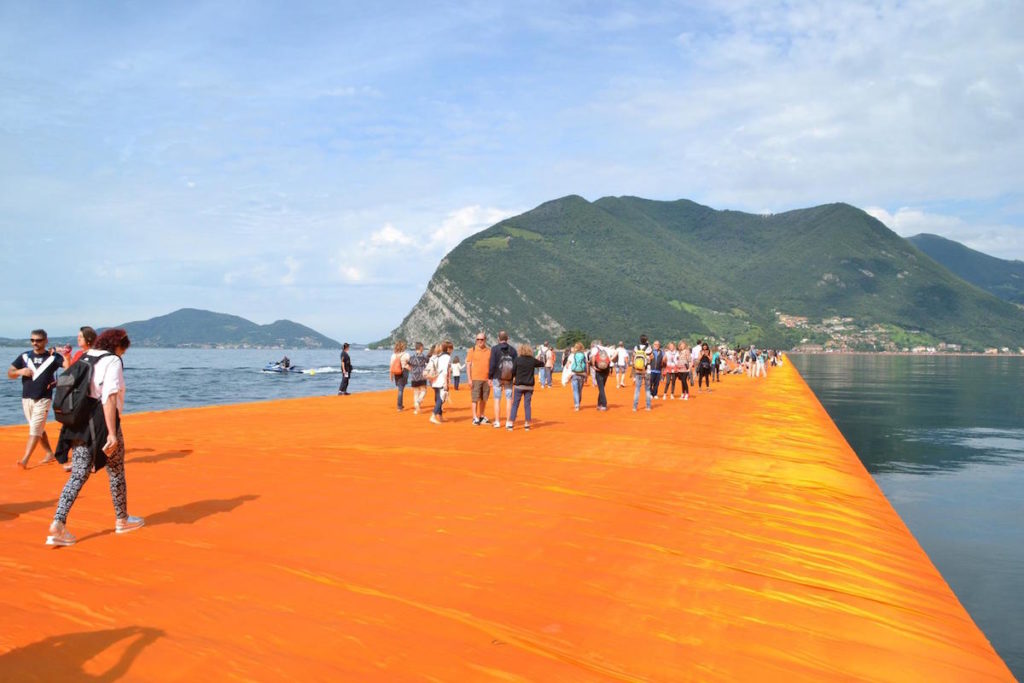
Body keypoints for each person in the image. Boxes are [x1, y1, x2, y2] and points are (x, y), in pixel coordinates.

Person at [46, 328, 144, 547]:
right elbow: (108, 397)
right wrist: (111, 433)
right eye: (124, 348)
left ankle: (58, 523)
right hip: (100, 422)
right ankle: (122, 519)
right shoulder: (112, 361)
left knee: (78, 474)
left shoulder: (88, 356)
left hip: (78, 422)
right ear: (119, 345)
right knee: (116, 470)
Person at [9, 329, 64, 469]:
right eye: (32, 340)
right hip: (26, 398)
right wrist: (20, 371)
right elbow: (10, 373)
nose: (35, 343)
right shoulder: (25, 357)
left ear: (46, 341)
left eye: (38, 340)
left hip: (43, 397)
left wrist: (65, 354)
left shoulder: (53, 357)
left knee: (35, 428)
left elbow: (69, 367)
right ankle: (49, 453)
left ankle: (25, 459)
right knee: (38, 427)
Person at [507, 344, 545, 430]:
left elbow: (513, 371)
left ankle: (511, 424)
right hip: (529, 386)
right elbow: (542, 364)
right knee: (527, 405)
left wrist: (512, 378)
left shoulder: (517, 360)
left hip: (519, 385)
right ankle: (527, 424)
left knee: (515, 404)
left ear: (520, 350)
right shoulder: (532, 360)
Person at [488, 331, 517, 429]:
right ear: (507, 338)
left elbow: (492, 364)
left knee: (497, 399)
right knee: (509, 399)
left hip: (497, 377)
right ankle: (509, 422)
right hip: (509, 378)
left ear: (498, 338)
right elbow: (516, 365)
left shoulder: (494, 349)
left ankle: (497, 421)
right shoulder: (513, 350)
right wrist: (514, 376)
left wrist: (490, 377)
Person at [465, 332, 491, 426]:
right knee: (475, 399)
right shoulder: (472, 350)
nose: (479, 341)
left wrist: (490, 378)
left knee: (484, 399)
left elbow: (491, 365)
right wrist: (469, 379)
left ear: (485, 340)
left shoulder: (489, 351)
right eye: (478, 339)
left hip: (486, 379)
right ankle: (474, 417)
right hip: (475, 378)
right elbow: (468, 365)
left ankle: (481, 416)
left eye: (481, 339)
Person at [428, 341, 452, 425]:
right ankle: (433, 416)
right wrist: (446, 382)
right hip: (441, 380)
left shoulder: (436, 356)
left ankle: (440, 416)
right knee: (441, 399)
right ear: (448, 349)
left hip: (434, 379)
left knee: (437, 398)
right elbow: (445, 371)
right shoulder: (446, 357)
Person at [632, 335, 653, 412]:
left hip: (638, 370)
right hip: (647, 370)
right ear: (646, 340)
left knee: (637, 389)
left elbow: (633, 357)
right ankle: (648, 406)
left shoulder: (636, 347)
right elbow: (652, 357)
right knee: (647, 389)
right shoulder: (649, 348)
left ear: (640, 340)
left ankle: (635, 407)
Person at [590, 340, 612, 411]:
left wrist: (593, 366)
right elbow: (614, 354)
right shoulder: (607, 349)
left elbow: (593, 358)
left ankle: (604, 404)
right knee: (602, 387)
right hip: (606, 369)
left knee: (601, 388)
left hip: (599, 369)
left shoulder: (594, 349)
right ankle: (599, 404)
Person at [407, 342, 429, 414]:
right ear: (421, 348)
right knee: (424, 391)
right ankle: (418, 401)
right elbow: (428, 362)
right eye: (422, 347)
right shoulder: (423, 356)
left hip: (414, 376)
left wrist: (413, 370)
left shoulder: (412, 357)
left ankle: (417, 409)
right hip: (422, 375)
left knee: (416, 392)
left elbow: (408, 365)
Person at [389, 341, 410, 411]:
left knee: (400, 388)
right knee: (401, 389)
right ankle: (399, 406)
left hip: (396, 372)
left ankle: (400, 404)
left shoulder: (393, 355)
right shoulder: (406, 354)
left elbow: (391, 366)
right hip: (403, 372)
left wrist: (391, 376)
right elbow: (410, 363)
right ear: (403, 347)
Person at [568, 342, 588, 411]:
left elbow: (568, 365)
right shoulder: (584, 354)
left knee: (575, 391)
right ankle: (578, 402)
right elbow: (586, 365)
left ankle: (577, 405)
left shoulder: (572, 355)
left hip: (574, 374)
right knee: (580, 391)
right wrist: (586, 375)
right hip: (582, 374)